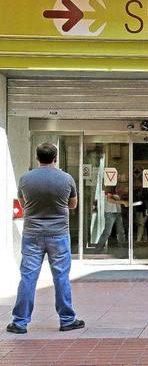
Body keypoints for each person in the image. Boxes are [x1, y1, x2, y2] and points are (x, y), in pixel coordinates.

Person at [7, 143, 85, 334]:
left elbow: (24, 203)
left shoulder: (26, 178)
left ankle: (19, 322)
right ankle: (67, 320)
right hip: (58, 234)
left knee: (28, 277)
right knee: (61, 277)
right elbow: (73, 204)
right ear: (56, 158)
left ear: (37, 157)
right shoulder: (66, 179)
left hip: (32, 234)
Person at [96, 187, 128, 252]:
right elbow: (109, 200)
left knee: (120, 231)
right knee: (107, 231)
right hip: (109, 212)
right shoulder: (110, 189)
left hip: (117, 212)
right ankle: (99, 247)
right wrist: (122, 202)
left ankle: (122, 246)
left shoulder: (117, 192)